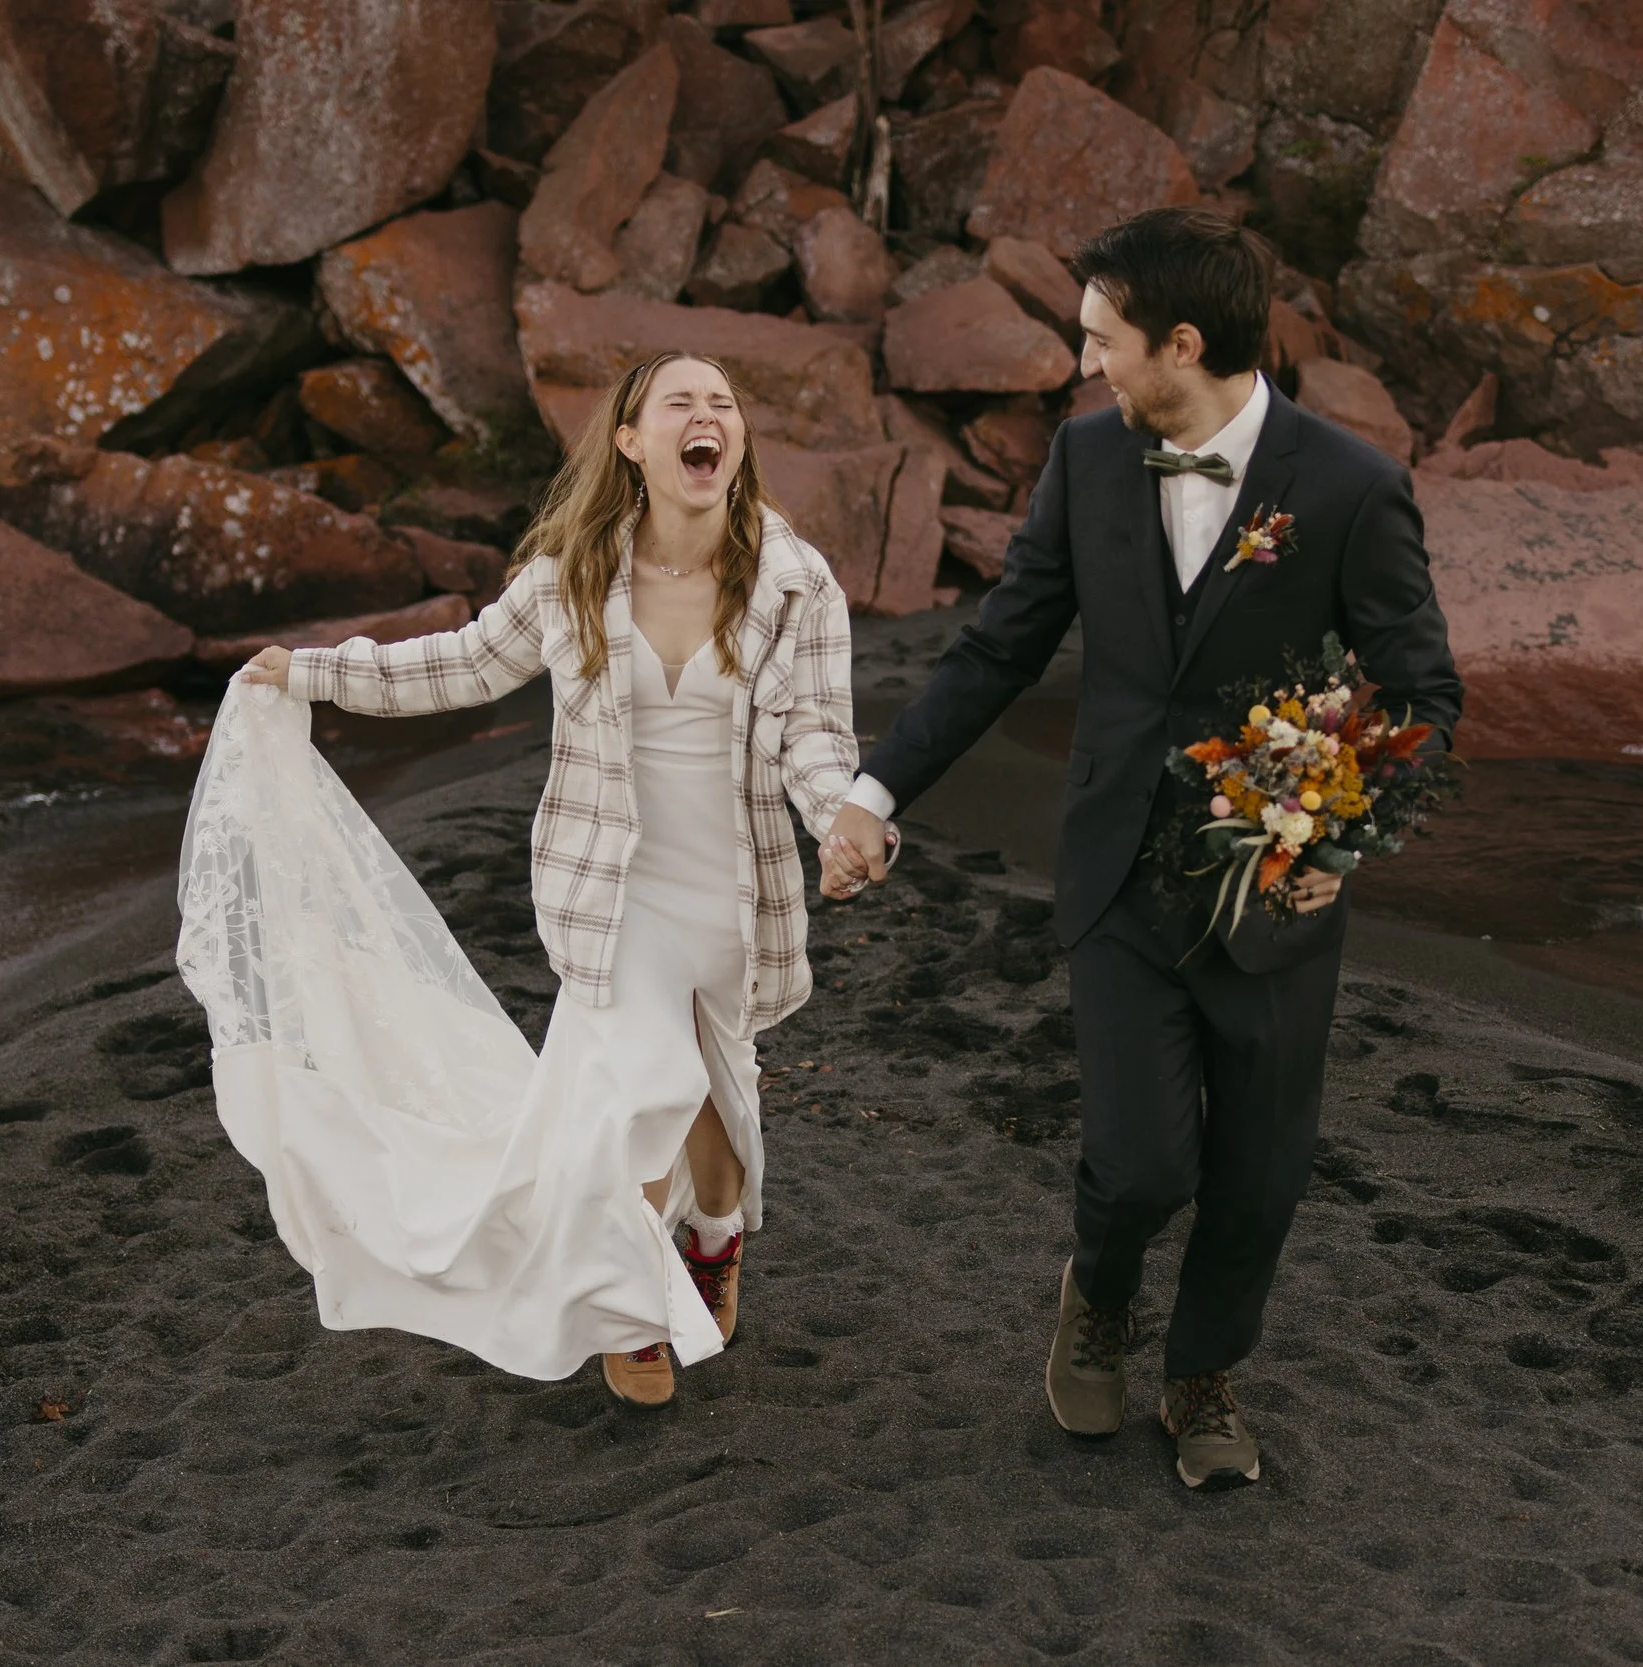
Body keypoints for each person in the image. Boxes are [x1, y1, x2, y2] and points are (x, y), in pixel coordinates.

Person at [826, 207, 1463, 1488]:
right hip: (1118, 867)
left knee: (1258, 1175)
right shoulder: (1085, 459)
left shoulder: (1349, 488)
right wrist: (873, 790)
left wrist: (1342, 835)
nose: (1085, 364)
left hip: (1277, 887)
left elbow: (1421, 694)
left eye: (1102, 339)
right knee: (1139, 1163)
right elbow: (1000, 647)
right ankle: (1101, 1294)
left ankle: (1202, 1373)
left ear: (1182, 343)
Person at [195, 351, 890, 1408]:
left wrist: (841, 817)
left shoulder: (796, 582)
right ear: (631, 441)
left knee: (717, 1110)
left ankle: (711, 1238)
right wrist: (316, 672)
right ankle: (631, 1306)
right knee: (640, 1091)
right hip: (614, 892)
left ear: (735, 442)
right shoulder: (574, 575)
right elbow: (461, 662)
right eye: (680, 402)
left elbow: (816, 738)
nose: (707, 415)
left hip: (733, 893)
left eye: (723, 403)